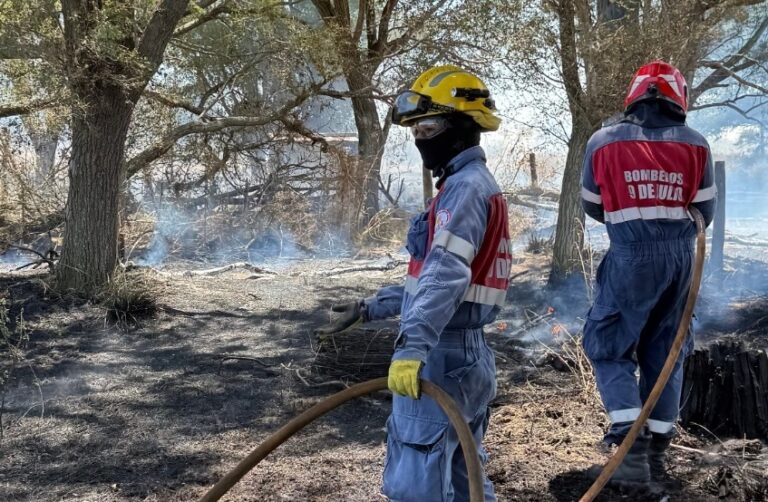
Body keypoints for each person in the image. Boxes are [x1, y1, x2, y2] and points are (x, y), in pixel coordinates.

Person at [315, 65, 511, 501]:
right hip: (467, 355)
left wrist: (411, 349)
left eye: (429, 126)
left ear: (460, 127)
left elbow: (445, 275)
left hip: (441, 353)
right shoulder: (471, 186)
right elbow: (435, 278)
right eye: (416, 128)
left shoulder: (464, 190)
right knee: (465, 479)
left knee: (414, 486)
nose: (420, 137)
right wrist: (371, 307)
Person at [580, 60, 717, 486]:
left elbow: (591, 205)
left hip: (630, 254)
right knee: (666, 351)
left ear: (633, 98)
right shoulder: (697, 145)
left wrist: (631, 217)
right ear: (679, 100)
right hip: (681, 259)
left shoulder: (602, 142)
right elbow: (705, 212)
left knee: (609, 346)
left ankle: (628, 438)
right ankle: (657, 448)